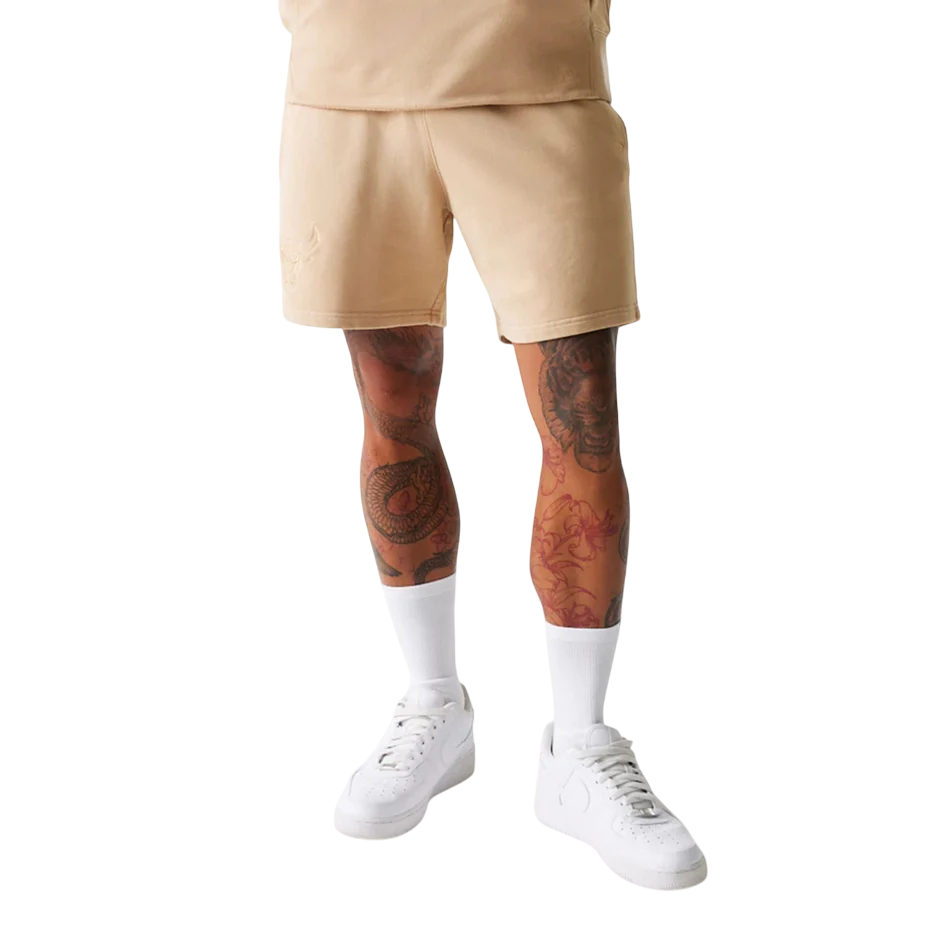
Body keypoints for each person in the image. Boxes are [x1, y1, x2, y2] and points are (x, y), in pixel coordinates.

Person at [278, 0, 707, 891]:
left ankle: (579, 741)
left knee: (582, 422)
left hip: (537, 71)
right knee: (391, 409)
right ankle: (435, 704)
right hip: (347, 79)